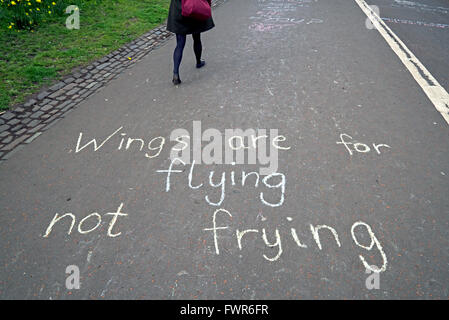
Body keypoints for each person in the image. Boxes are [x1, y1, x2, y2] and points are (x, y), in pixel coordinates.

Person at [166, 0, 215, 85]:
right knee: (196, 38)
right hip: (194, 10)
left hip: (179, 10)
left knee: (180, 44)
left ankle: (175, 73)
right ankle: (198, 62)